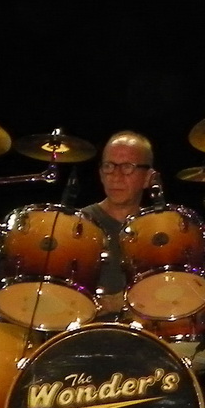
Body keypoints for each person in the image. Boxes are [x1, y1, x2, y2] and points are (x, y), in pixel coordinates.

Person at [82, 131, 158, 305]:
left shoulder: (161, 231)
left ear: (148, 178)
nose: (116, 177)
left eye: (127, 167)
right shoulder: (78, 225)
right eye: (109, 166)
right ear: (101, 174)